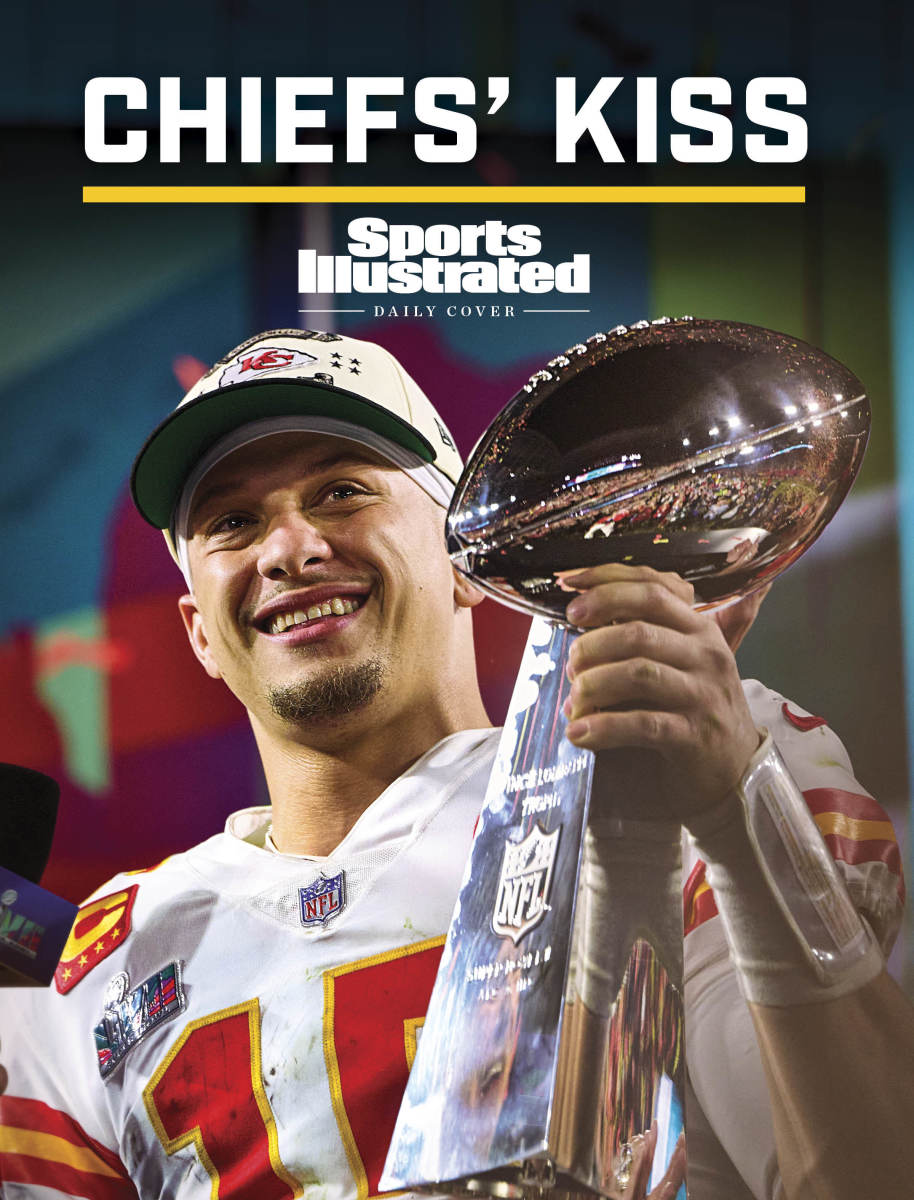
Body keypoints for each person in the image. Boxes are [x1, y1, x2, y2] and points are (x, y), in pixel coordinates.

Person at [0, 328, 909, 1200]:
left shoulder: (680, 761)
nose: (291, 548)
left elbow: (862, 1178)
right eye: (234, 522)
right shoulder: (96, 965)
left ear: (469, 561)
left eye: (342, 492)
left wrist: (736, 814)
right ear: (199, 633)